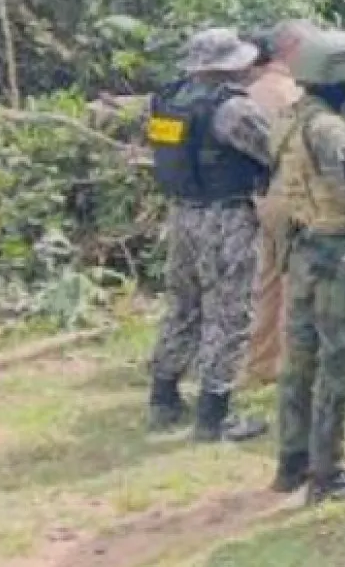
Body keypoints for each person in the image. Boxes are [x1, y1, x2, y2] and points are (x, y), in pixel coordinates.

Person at [266, 29, 345, 504]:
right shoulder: (329, 129)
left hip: (303, 245)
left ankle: (291, 461)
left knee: (299, 360)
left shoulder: (289, 120)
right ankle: (328, 471)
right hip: (336, 251)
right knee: (338, 359)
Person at [144, 27, 276, 443]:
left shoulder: (167, 100)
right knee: (230, 311)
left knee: (182, 305)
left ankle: (163, 396)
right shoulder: (233, 109)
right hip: (225, 217)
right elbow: (274, 151)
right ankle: (214, 415)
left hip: (181, 213)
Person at [243, 19, 316, 389]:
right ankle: (293, 364)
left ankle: (260, 362)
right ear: (293, 49)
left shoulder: (251, 91)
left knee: (266, 280)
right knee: (295, 282)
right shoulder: (294, 94)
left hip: (261, 195)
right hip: (292, 195)